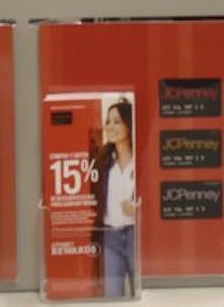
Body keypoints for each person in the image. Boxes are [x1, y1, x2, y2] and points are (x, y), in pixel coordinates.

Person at [91, 98, 136, 297]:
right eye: (108, 121)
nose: (110, 126)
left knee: (141, 292)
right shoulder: (102, 162)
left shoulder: (140, 160)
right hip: (110, 236)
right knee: (112, 295)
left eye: (117, 121)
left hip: (135, 234)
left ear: (129, 124)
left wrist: (137, 208)